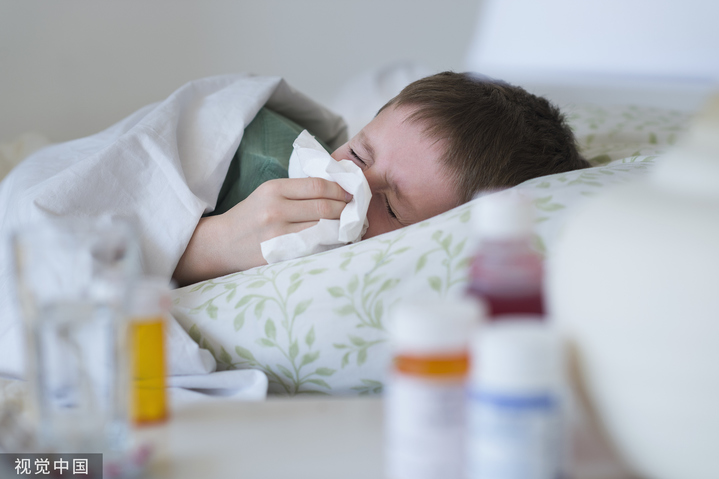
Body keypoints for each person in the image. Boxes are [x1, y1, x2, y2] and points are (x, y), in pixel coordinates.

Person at [173, 71, 590, 286]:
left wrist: (203, 255)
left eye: (390, 207)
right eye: (358, 153)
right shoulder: (254, 150)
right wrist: (208, 242)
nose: (350, 183)